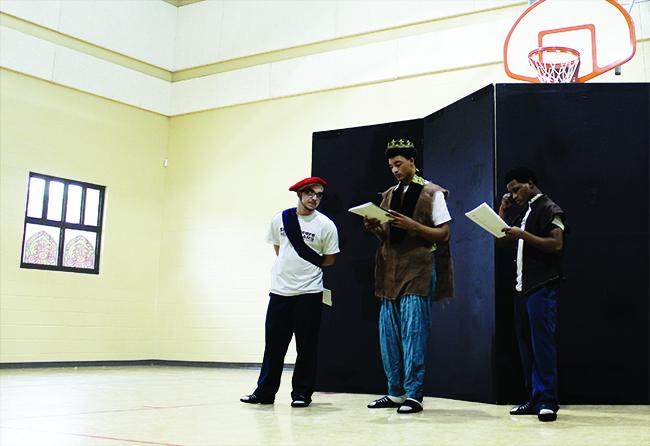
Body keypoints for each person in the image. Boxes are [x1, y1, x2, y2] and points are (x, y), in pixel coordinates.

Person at [363, 139, 454, 414]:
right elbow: (388, 236)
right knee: (388, 336)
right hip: (389, 272)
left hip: (418, 270)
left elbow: (445, 233)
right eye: (391, 166)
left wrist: (415, 226)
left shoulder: (431, 192)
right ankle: (395, 392)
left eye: (399, 164)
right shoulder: (388, 194)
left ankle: (414, 394)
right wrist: (373, 228)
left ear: (413, 163)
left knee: (413, 334)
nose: (394, 170)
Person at [240, 176, 340, 408]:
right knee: (273, 347)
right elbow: (279, 249)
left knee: (306, 348)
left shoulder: (326, 225)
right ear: (299, 194)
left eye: (318, 195)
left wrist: (305, 272)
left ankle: (302, 394)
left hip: (309, 294)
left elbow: (329, 259)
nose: (314, 198)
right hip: (280, 293)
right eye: (310, 193)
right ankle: (264, 392)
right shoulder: (280, 219)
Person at [498, 167, 566, 422]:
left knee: (542, 344)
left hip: (541, 286)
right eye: (510, 192)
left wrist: (523, 235)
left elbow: (557, 244)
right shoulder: (524, 212)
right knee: (526, 346)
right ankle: (534, 398)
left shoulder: (548, 207)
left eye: (516, 189)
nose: (514, 195)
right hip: (522, 288)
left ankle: (547, 400)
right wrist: (502, 214)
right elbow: (501, 241)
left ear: (530, 183)